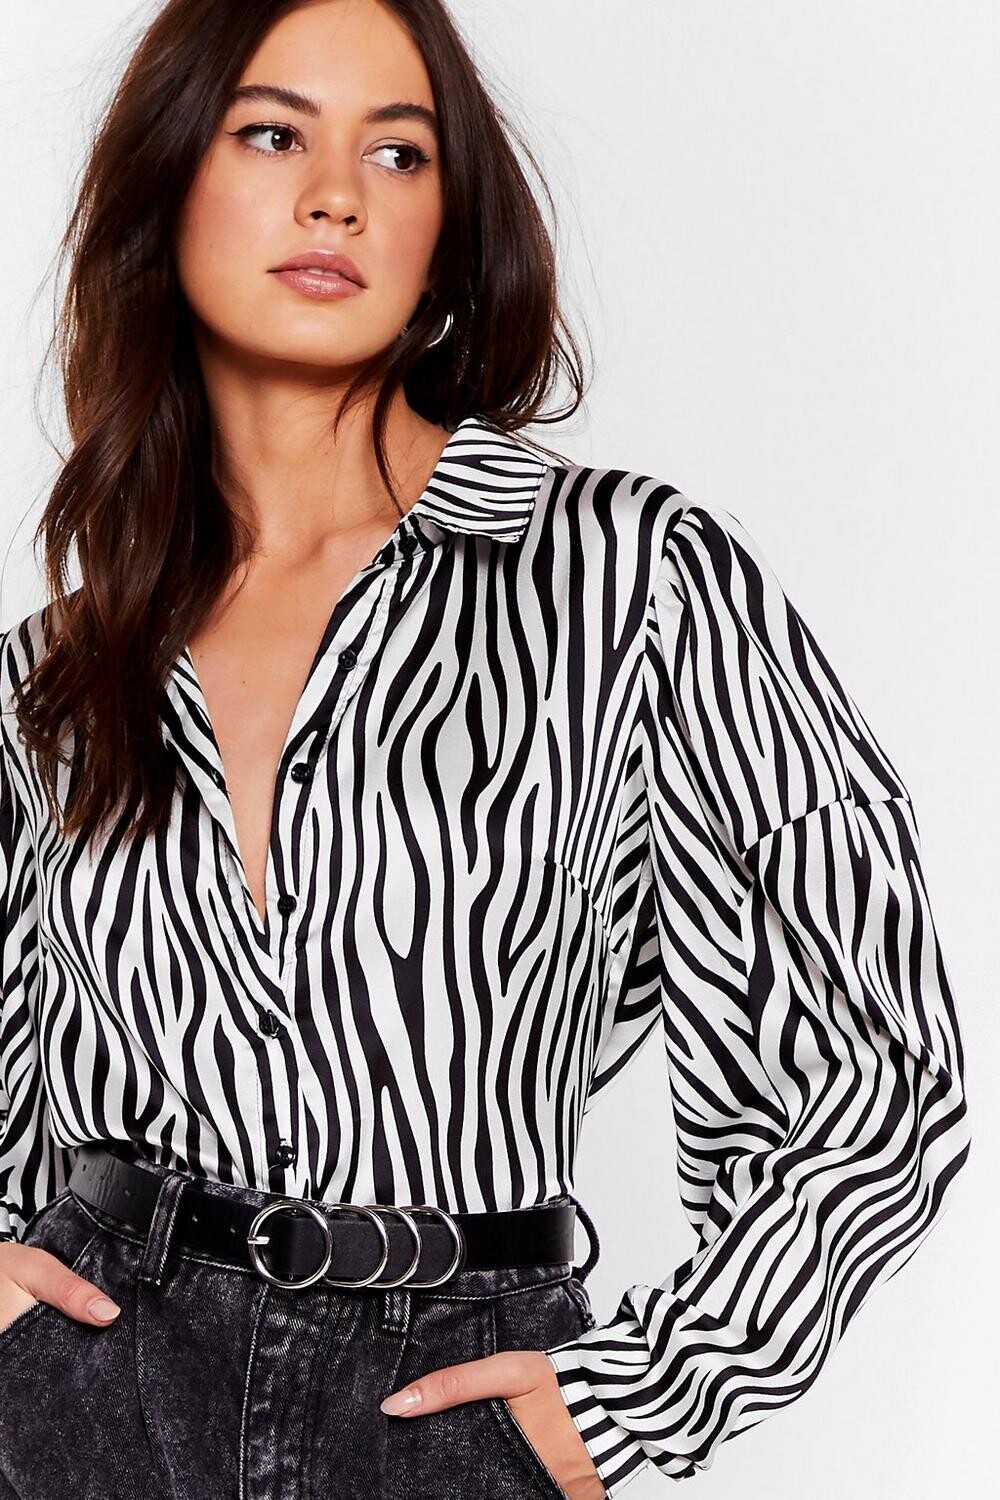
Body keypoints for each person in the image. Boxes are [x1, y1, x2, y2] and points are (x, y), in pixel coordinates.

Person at [0, 1, 971, 1497]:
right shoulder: (56, 672)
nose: (337, 195)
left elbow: (876, 1063)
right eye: (273, 134)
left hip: (453, 1401)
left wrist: (650, 1395)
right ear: (166, 185)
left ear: (449, 237)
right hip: (89, 1401)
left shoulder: (631, 580)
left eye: (400, 155)